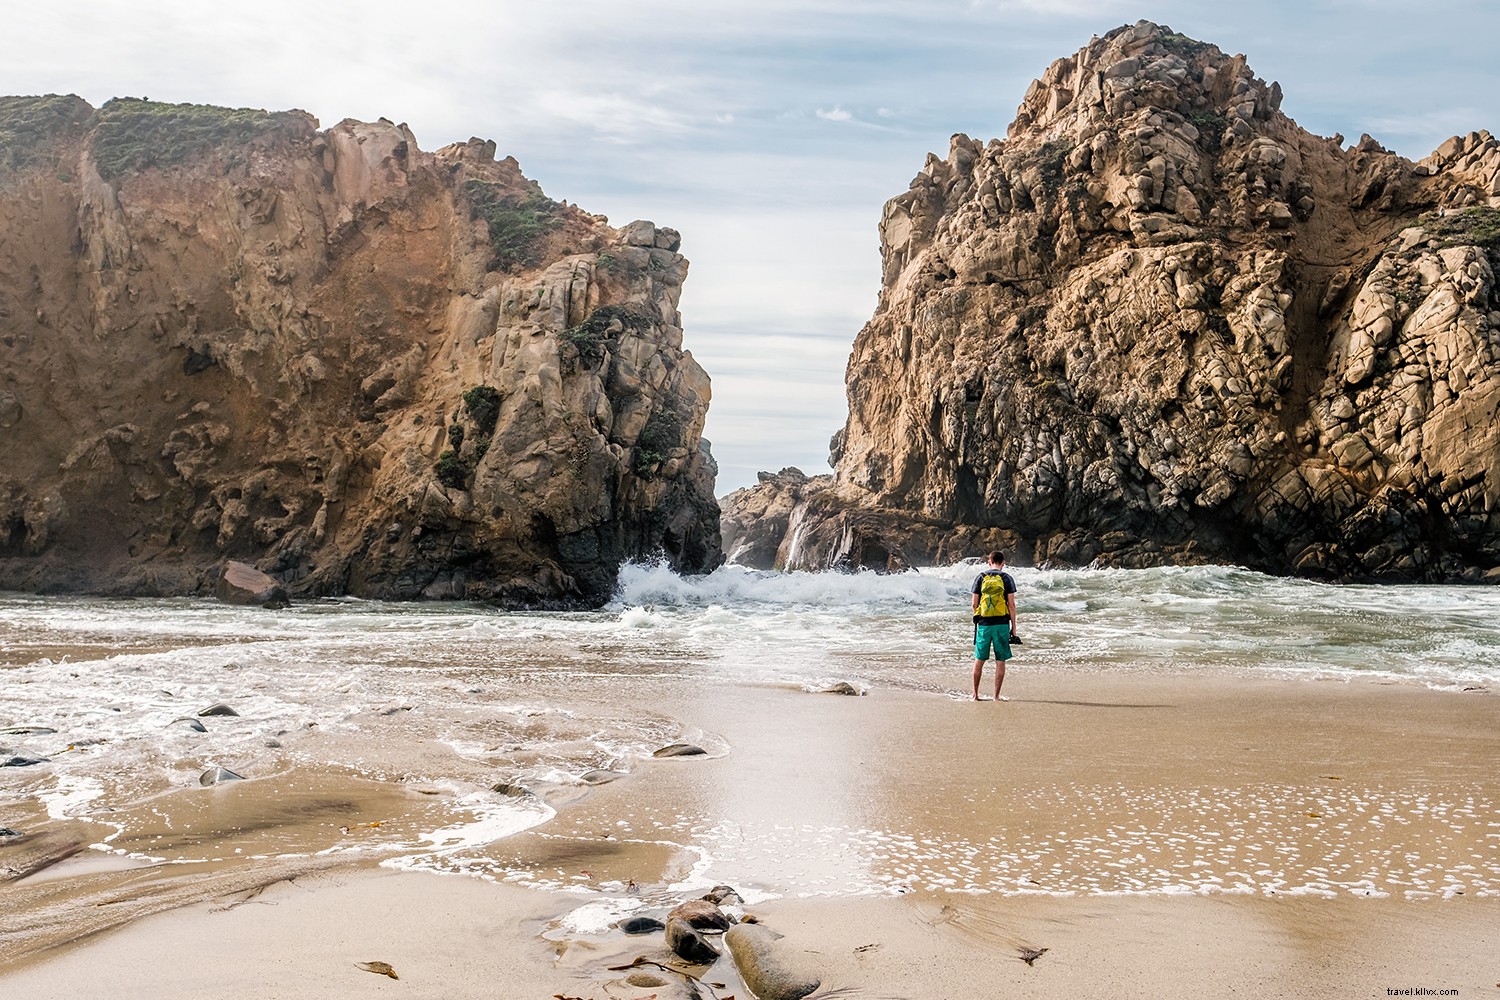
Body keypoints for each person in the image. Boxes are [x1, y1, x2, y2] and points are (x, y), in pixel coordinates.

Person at [970, 550, 1020, 701]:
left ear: (989, 562)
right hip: (1002, 624)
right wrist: (1014, 628)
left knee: (979, 660)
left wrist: (978, 620)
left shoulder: (980, 577)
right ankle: (996, 696)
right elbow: (1011, 606)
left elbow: (974, 604)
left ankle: (975, 695)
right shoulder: (1007, 578)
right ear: (1003, 563)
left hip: (984, 624)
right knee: (1000, 660)